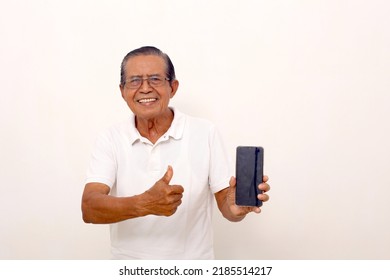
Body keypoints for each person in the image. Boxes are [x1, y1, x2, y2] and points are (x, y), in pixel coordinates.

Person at [81, 46, 270, 259]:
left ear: (173, 87)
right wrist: (144, 203)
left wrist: (236, 207)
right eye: (134, 81)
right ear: (122, 91)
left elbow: (228, 208)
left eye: (155, 79)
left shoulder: (205, 132)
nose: (145, 88)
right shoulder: (110, 138)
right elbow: (89, 207)